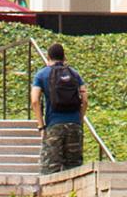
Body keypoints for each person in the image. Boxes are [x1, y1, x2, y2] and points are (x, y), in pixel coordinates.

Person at [31, 43, 90, 174]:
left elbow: (35, 100)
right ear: (64, 57)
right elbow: (85, 99)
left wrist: (41, 126)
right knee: (74, 170)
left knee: (50, 170)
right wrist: (79, 120)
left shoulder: (41, 75)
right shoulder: (74, 74)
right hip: (74, 125)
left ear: (48, 57)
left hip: (54, 125)